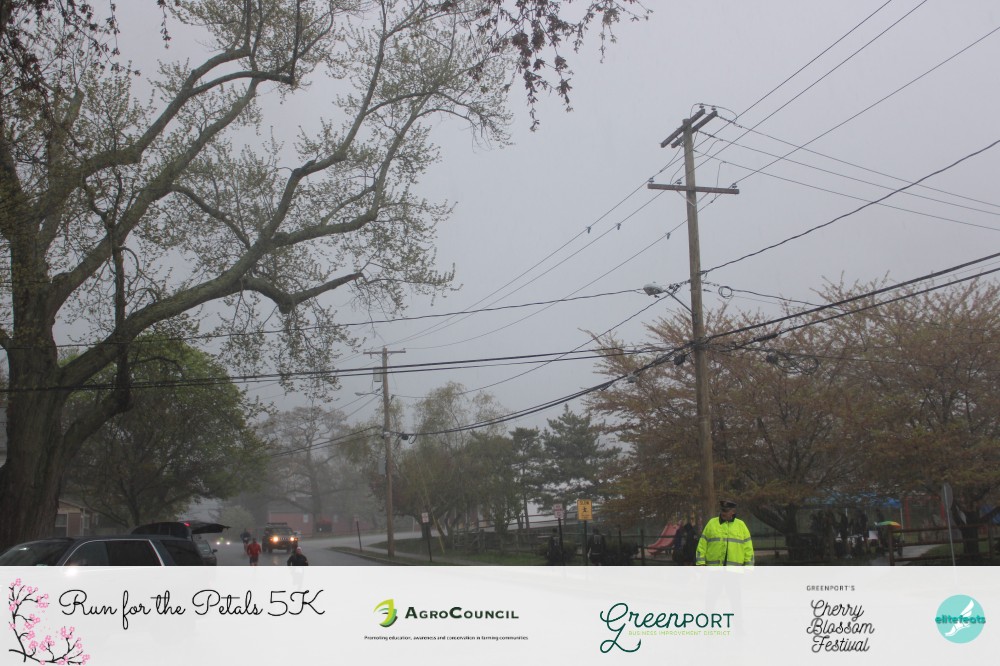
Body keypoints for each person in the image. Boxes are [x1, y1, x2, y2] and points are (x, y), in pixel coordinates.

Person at [695, 499, 754, 566]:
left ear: (733, 512)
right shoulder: (711, 523)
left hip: (735, 570)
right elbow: (702, 545)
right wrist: (701, 564)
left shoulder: (741, 525)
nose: (723, 513)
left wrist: (749, 567)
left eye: (726, 511)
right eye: (722, 510)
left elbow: (748, 549)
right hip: (713, 569)